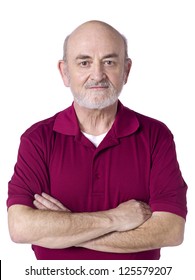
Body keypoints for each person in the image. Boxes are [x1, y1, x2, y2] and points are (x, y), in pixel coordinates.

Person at [7, 20, 187, 260]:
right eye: (84, 62)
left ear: (126, 70)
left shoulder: (156, 136)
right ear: (64, 72)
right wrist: (116, 219)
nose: (98, 74)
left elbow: (171, 230)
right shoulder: (37, 139)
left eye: (109, 62)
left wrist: (63, 229)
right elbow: (20, 227)